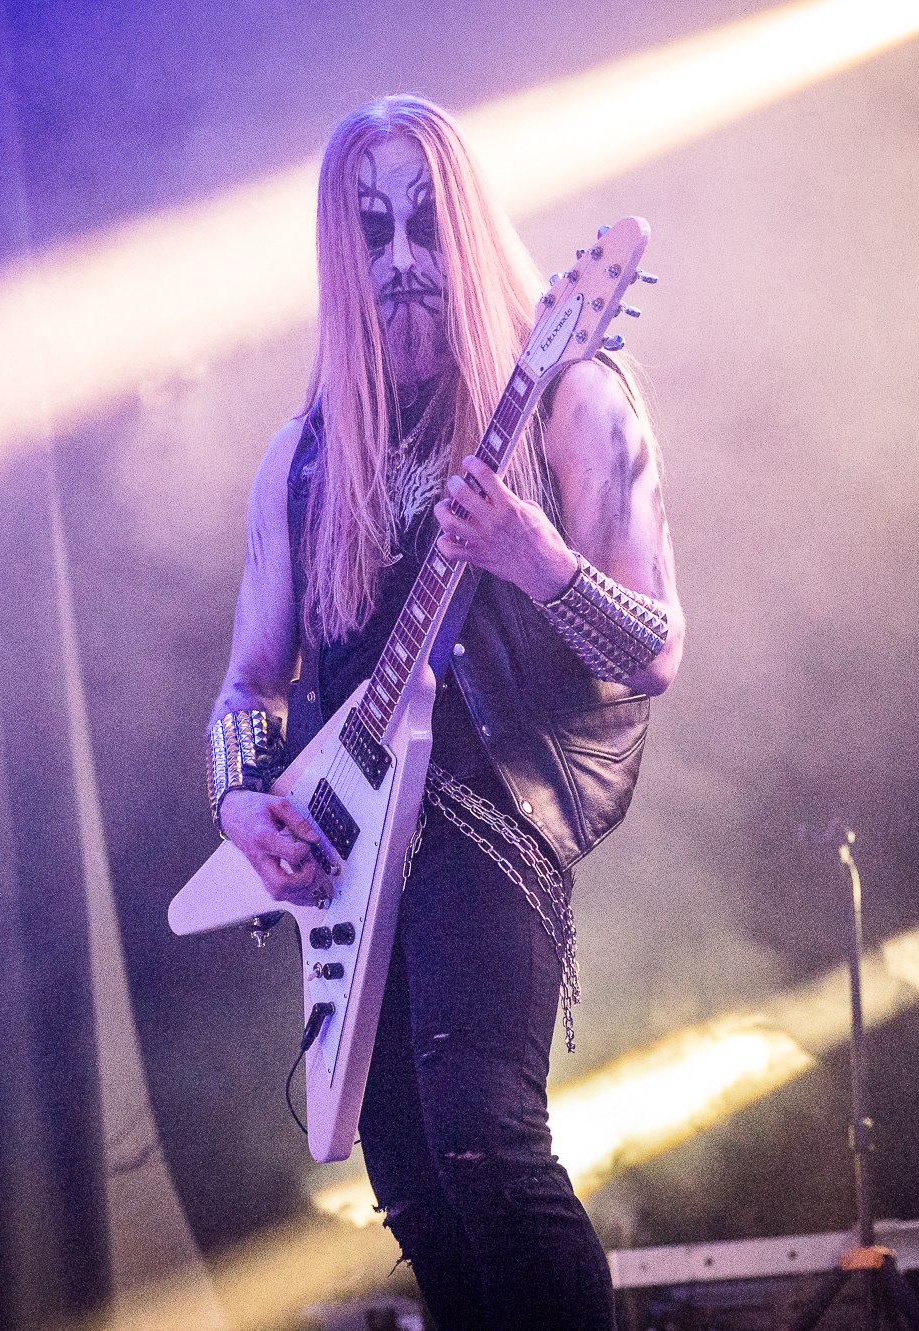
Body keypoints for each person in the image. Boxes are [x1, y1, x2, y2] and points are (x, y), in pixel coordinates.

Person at [204, 94, 683, 1331]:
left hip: (494, 811)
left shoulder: (572, 395)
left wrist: (538, 559)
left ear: (466, 226)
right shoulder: (303, 458)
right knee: (412, 1179)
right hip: (354, 849)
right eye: (372, 231)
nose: (403, 256)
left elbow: (656, 648)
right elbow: (248, 682)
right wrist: (240, 794)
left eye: (424, 221)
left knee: (483, 1140)